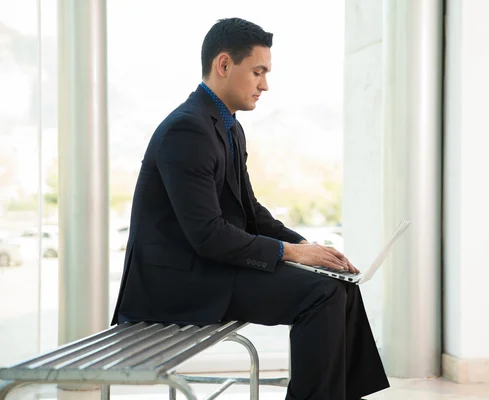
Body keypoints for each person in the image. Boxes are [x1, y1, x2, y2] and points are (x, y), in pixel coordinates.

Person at [111, 17, 389, 400]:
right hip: (177, 285)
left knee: (337, 286)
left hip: (208, 270)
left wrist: (312, 250)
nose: (265, 84)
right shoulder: (187, 130)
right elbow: (207, 235)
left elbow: (251, 212)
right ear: (224, 65)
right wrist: (291, 253)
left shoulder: (226, 127)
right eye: (258, 71)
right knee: (321, 296)